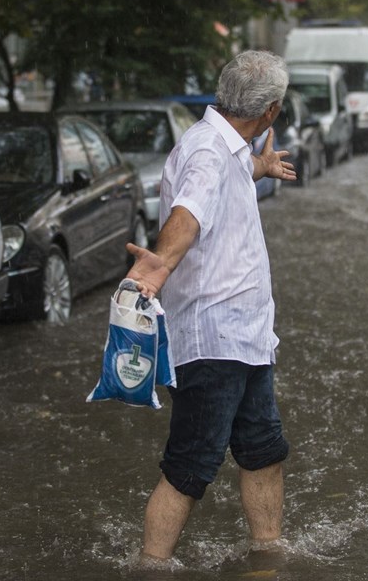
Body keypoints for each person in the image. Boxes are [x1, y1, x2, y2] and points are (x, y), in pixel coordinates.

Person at [124, 50, 296, 565]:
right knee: (190, 466)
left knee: (264, 449)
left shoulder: (228, 148)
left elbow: (224, 173)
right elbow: (188, 213)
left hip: (245, 339)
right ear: (269, 113)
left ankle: (267, 555)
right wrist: (159, 265)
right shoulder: (207, 152)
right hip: (212, 343)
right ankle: (151, 567)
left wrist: (258, 166)